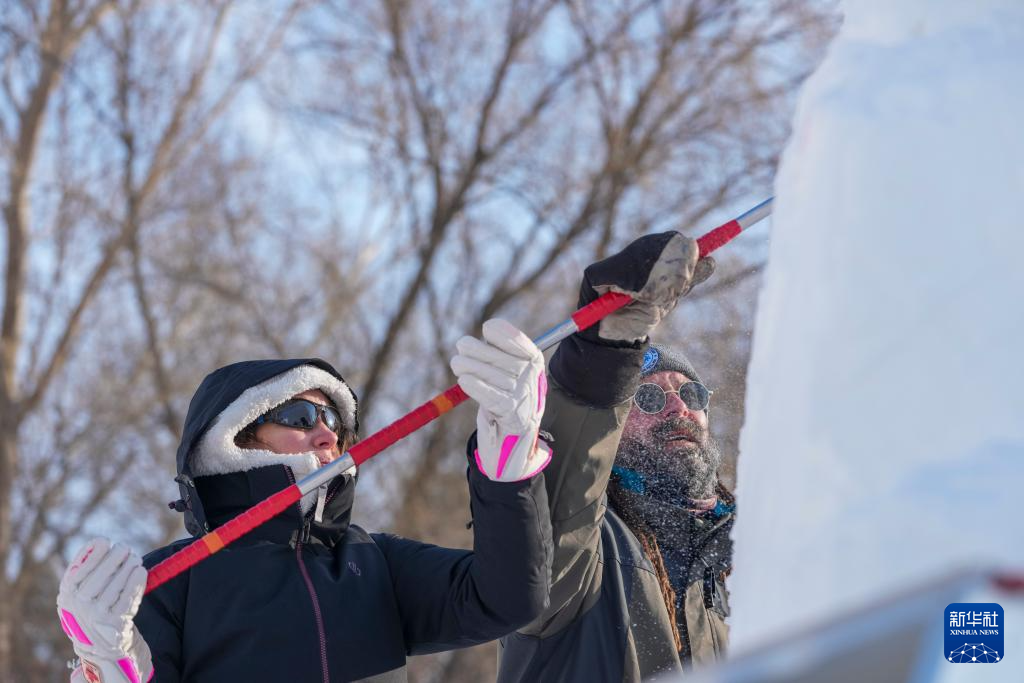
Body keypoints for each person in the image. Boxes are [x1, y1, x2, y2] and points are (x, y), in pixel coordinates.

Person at [56, 321, 555, 682]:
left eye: (334, 420)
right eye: (300, 417)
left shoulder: (373, 561)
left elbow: (507, 598)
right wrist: (109, 665)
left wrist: (508, 464)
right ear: (236, 439)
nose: (327, 435)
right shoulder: (168, 582)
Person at [497, 231, 733, 681]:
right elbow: (569, 483)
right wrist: (606, 351)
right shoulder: (587, 544)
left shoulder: (743, 559)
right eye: (649, 398)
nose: (678, 409)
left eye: (691, 394)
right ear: (616, 426)